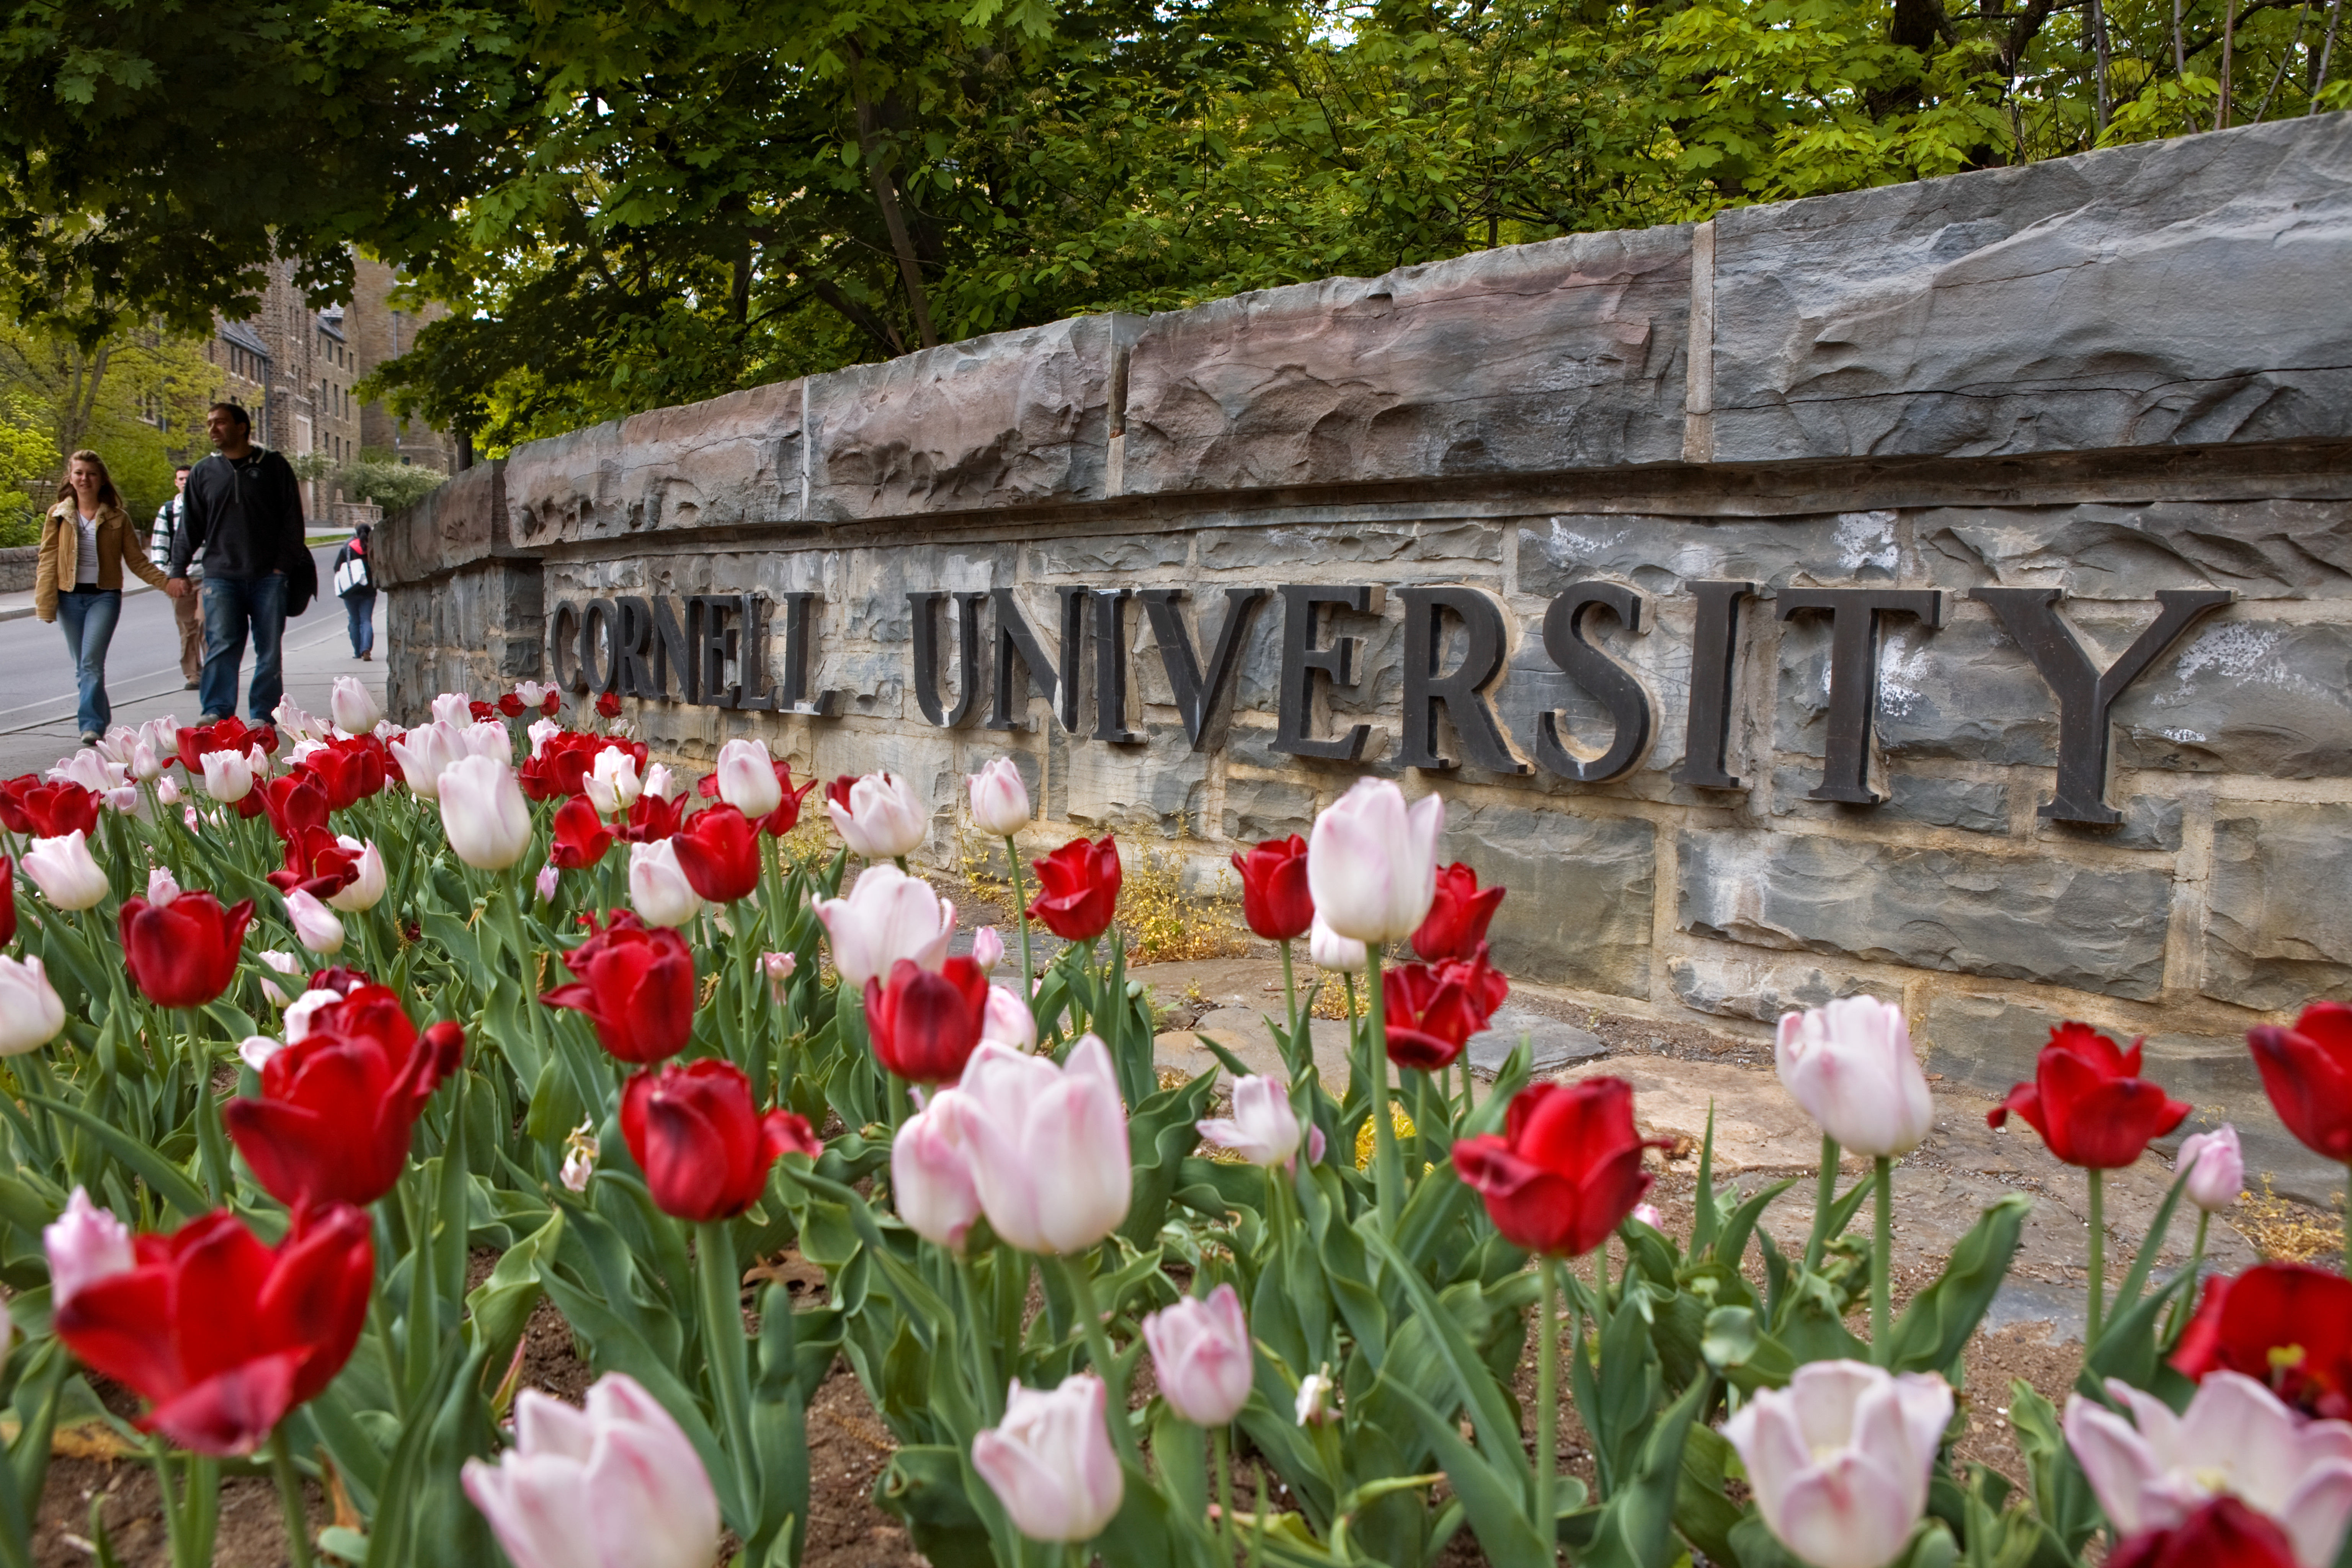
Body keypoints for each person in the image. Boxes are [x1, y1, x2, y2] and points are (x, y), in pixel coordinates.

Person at [167, 402, 311, 725]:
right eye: (209, 423)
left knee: (269, 651)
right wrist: (178, 571)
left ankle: (264, 715)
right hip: (220, 576)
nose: (213, 429)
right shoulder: (204, 472)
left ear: (243, 427)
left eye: (220, 422)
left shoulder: (273, 466)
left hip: (268, 577)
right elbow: (189, 527)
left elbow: (292, 521)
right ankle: (217, 712)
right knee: (221, 646)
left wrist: (282, 567)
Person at [37, 450, 172, 745]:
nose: (85, 479)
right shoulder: (58, 515)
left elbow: (137, 561)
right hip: (68, 599)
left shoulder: (117, 517)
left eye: (91, 474)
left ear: (101, 479)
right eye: (79, 473)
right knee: (84, 664)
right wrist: (44, 602)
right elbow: (48, 559)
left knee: (91, 663)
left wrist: (167, 583)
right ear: (70, 478)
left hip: (104, 597)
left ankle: (91, 726)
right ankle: (98, 719)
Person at [148, 464, 202, 689]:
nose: (184, 482)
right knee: (188, 628)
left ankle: (216, 674)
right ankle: (194, 674)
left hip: (207, 576)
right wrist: (166, 577)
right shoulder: (169, 511)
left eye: (189, 479)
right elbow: (160, 544)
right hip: (180, 577)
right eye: (181, 479)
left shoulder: (205, 507)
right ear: (176, 482)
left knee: (209, 624)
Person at [332, 523, 376, 660]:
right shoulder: (373, 548)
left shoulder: (348, 547)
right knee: (366, 620)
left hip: (351, 590)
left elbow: (337, 568)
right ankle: (366, 649)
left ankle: (357, 651)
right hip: (369, 590)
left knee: (355, 621)